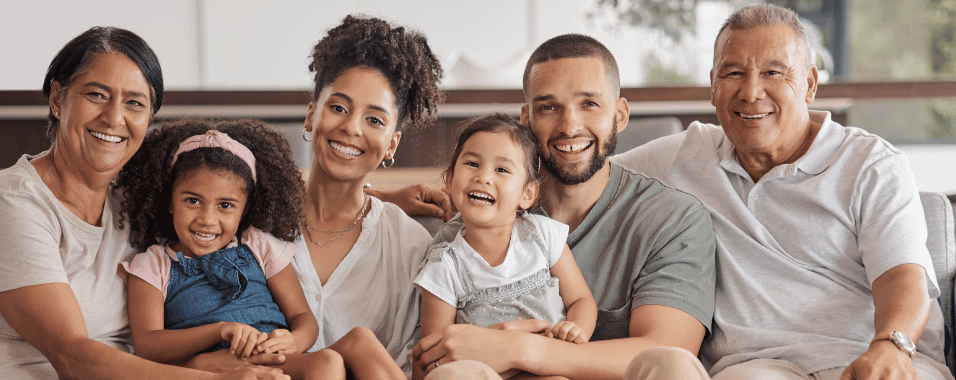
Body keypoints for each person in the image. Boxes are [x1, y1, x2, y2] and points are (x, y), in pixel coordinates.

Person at [0, 27, 285, 379]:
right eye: (96, 95)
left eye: (135, 103)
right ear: (58, 98)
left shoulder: (135, 204)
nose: (114, 117)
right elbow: (72, 357)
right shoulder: (13, 205)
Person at [611, 4, 951, 379]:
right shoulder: (682, 156)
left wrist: (891, 347)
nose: (751, 91)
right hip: (756, 368)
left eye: (773, 72)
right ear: (713, 86)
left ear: (808, 84)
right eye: (733, 73)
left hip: (868, 358)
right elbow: (583, 178)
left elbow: (902, 277)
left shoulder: (870, 162)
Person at [399, 34, 717, 380]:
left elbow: (666, 351)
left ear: (620, 114)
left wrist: (518, 349)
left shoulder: (672, 220)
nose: (569, 127)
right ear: (527, 118)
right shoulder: (470, 231)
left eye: (589, 104)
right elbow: (430, 358)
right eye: (549, 107)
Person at [116, 118, 412, 379]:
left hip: (277, 357)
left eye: (225, 206)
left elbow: (303, 318)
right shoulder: (153, 265)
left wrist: (294, 341)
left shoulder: (258, 245)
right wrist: (221, 330)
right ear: (170, 201)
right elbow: (147, 345)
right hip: (214, 367)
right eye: (192, 200)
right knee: (327, 363)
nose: (207, 219)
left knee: (344, 349)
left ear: (244, 211)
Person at [291, 14, 444, 379]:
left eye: (374, 120)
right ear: (312, 115)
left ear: (392, 143)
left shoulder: (409, 245)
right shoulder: (253, 216)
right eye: (338, 108)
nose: (351, 127)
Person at [413, 114, 598, 379]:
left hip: (549, 368)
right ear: (450, 179)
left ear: (527, 194)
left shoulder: (541, 236)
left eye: (501, 170)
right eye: (472, 164)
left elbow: (581, 299)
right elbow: (431, 356)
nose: (483, 177)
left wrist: (574, 330)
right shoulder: (445, 265)